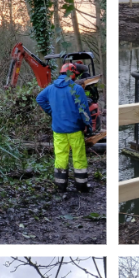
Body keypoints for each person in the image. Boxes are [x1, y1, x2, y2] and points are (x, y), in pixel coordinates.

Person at [36, 63, 92, 193]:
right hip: (75, 129)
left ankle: (61, 186)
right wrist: (87, 125)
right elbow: (83, 110)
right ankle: (81, 186)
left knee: (61, 156)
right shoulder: (76, 89)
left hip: (58, 130)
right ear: (71, 74)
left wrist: (51, 112)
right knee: (78, 157)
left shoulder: (51, 89)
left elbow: (40, 99)